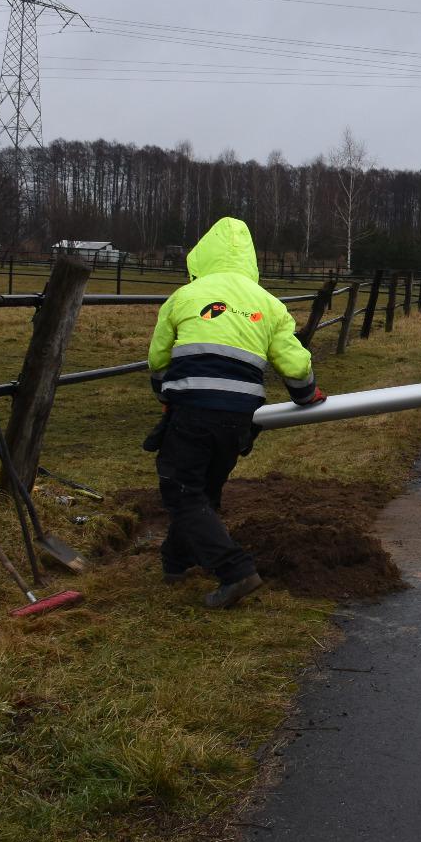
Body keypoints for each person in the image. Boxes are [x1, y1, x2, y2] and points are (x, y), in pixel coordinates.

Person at [146, 216, 325, 608]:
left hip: (192, 410)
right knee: (203, 490)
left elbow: (158, 357)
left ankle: (236, 570)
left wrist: (163, 391)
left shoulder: (183, 297)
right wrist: (306, 394)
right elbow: (295, 366)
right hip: (239, 418)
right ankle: (176, 562)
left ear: (203, 255)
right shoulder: (270, 305)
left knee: (180, 492)